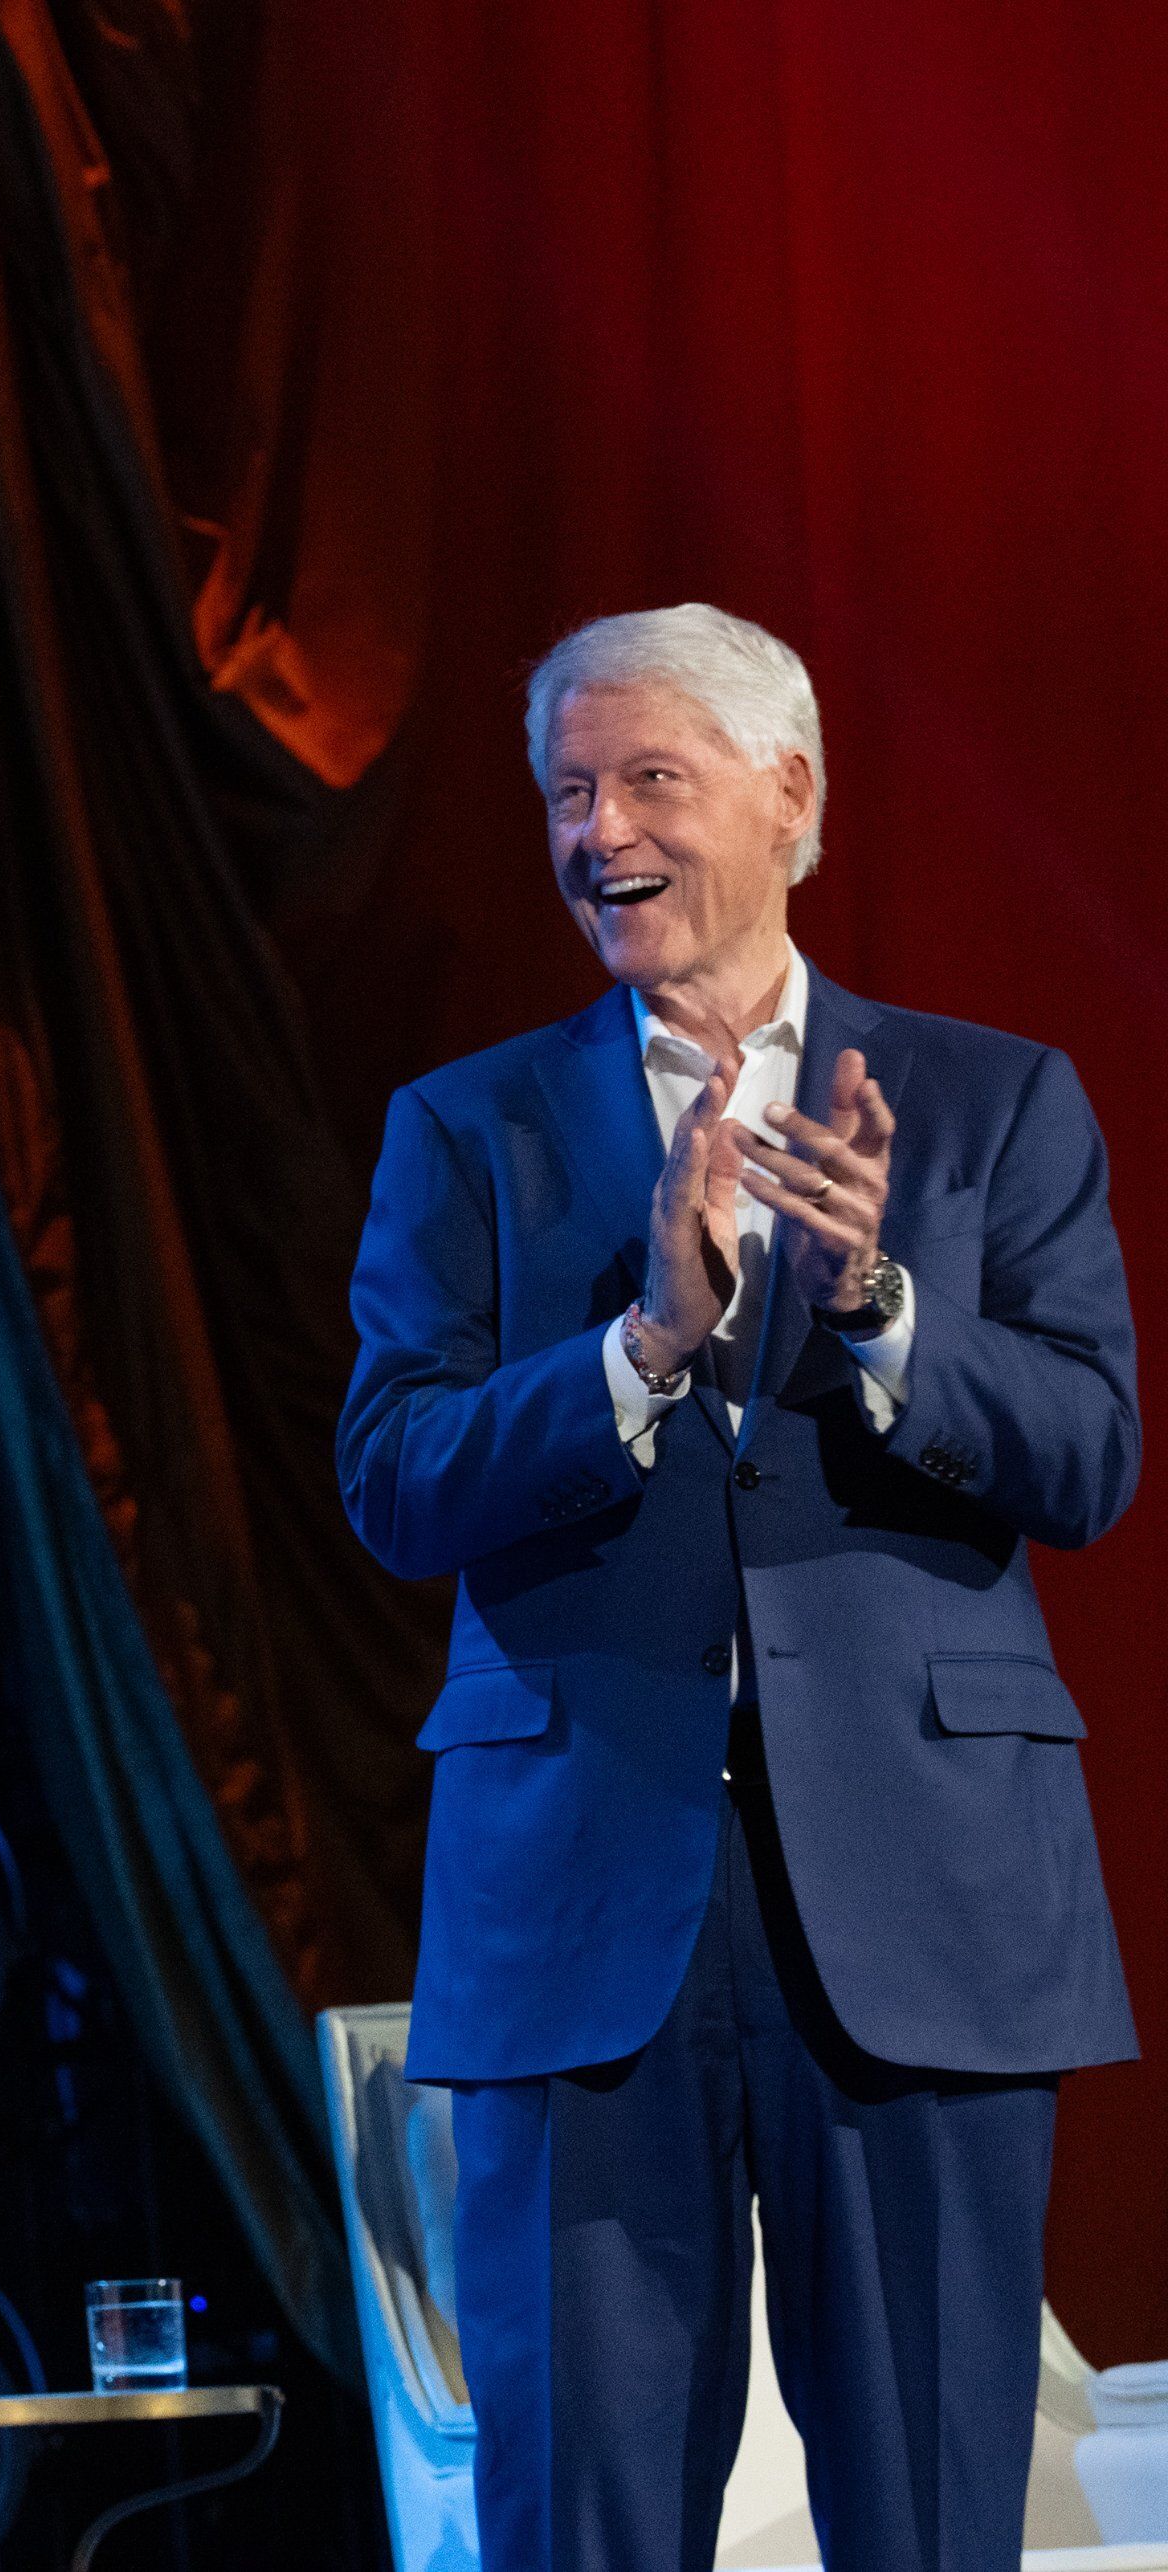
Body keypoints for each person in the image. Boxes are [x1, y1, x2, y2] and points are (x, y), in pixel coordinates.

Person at [339, 603, 1138, 2572]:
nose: (591, 831)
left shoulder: (985, 1101)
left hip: (920, 1901)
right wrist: (640, 1337)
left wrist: (872, 1304)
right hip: (579, 1913)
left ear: (785, 797)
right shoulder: (467, 1129)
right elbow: (390, 1476)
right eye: (561, 791)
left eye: (643, 780)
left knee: (931, 2508)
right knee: (576, 2519)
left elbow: (1086, 1451)